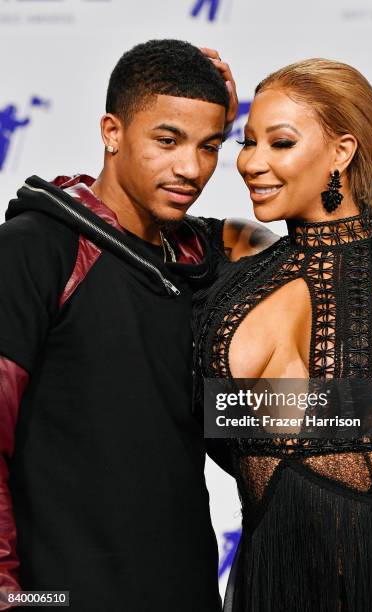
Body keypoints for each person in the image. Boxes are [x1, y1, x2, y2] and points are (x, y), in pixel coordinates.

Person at [0, 38, 275, 612]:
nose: (191, 168)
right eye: (167, 140)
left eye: (209, 146)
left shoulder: (202, 256)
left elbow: (317, 256)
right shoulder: (34, 248)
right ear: (111, 132)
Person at [193, 58, 372, 611]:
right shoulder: (228, 262)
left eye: (280, 143)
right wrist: (200, 96)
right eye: (246, 141)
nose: (252, 163)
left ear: (342, 151)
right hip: (274, 573)